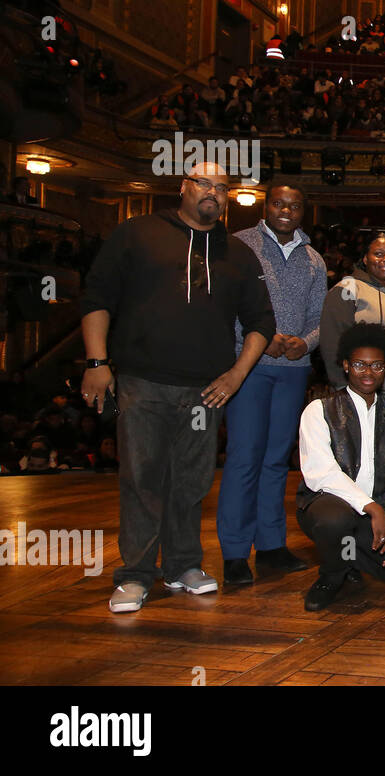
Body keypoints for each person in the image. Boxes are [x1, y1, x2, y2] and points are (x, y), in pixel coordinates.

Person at [81, 161, 276, 613]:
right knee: (141, 480)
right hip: (141, 383)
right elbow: (97, 297)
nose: (214, 193)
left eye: (223, 188)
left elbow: (261, 322)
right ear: (183, 187)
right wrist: (97, 361)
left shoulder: (239, 254)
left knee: (191, 483)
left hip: (205, 391)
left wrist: (236, 374)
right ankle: (134, 576)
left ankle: (183, 566)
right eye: (205, 183)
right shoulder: (137, 233)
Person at [220, 184, 326, 586]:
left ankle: (271, 548)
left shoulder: (314, 259)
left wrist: (307, 342)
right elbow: (226, 306)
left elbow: (319, 317)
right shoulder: (239, 245)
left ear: (303, 212)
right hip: (248, 366)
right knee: (244, 457)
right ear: (267, 207)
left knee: (277, 461)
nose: (286, 211)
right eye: (279, 204)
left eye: (295, 206)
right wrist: (261, 338)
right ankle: (233, 553)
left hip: (292, 371)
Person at [296, 323, 385, 611]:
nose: (368, 372)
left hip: (378, 515)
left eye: (376, 365)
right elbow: (321, 472)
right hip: (329, 507)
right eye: (359, 364)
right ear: (346, 365)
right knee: (335, 521)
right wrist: (373, 508)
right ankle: (333, 575)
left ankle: (352, 555)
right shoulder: (319, 410)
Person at [320, 233, 385, 421]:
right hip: (360, 396)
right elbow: (332, 347)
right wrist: (346, 395)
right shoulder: (347, 290)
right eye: (379, 254)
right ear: (365, 258)